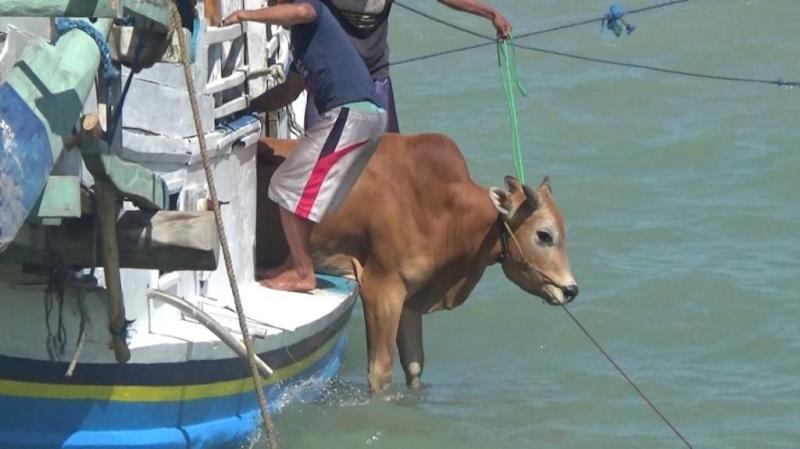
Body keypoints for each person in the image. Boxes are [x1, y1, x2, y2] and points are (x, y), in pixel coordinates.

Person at [222, 0, 387, 292]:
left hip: (350, 114)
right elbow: (290, 91)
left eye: (275, 3)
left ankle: (302, 271)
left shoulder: (313, 11)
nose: (273, 7)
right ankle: (292, 262)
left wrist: (245, 14)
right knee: (302, 193)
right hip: (359, 117)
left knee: (287, 185)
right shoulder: (302, 42)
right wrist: (247, 108)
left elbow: (302, 11)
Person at [304, 0, 513, 132]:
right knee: (313, 160)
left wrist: (490, 13)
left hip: (373, 76)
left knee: (390, 160)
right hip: (329, 78)